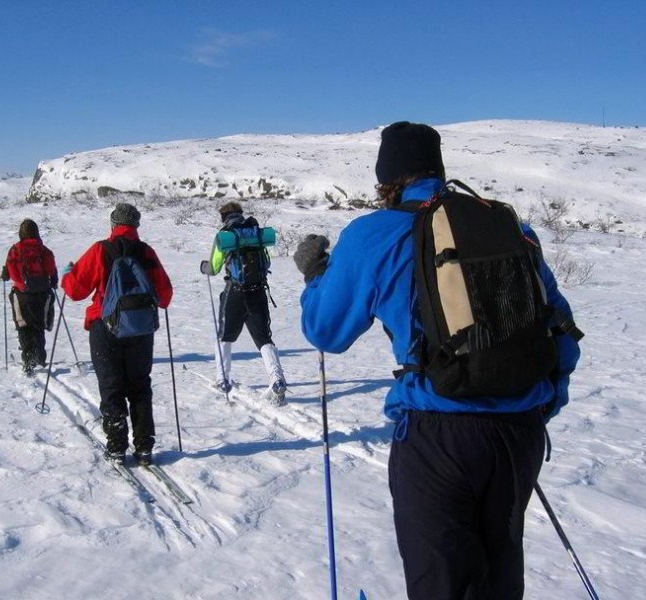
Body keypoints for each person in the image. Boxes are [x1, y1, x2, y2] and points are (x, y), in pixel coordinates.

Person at [293, 122, 582, 599]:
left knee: (444, 584)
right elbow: (562, 333)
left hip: (438, 434)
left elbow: (326, 331)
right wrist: (537, 402)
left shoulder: (374, 235)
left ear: (387, 179)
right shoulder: (510, 227)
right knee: (500, 575)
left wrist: (314, 277)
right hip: (520, 431)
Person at [61, 203, 173, 465]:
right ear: (136, 225)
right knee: (139, 385)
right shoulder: (146, 252)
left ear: (112, 224)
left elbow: (76, 290)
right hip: (141, 328)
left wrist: (67, 275)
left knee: (111, 385)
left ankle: (116, 446)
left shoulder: (101, 249)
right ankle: (144, 446)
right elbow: (165, 295)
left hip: (105, 325)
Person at [200, 201, 287, 405]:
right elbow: (266, 262)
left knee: (225, 336)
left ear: (224, 217)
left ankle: (222, 379)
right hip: (259, 291)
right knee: (264, 338)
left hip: (236, 292)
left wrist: (204, 267)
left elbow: (214, 267)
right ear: (240, 214)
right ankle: (277, 380)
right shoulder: (256, 233)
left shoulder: (225, 236)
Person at [0, 219, 58, 376]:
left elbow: (10, 270)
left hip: (22, 294)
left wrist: (6, 275)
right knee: (38, 325)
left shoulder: (15, 250)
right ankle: (40, 356)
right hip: (42, 293)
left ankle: (28, 359)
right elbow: (51, 269)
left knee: (24, 326)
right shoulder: (43, 250)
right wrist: (53, 282)